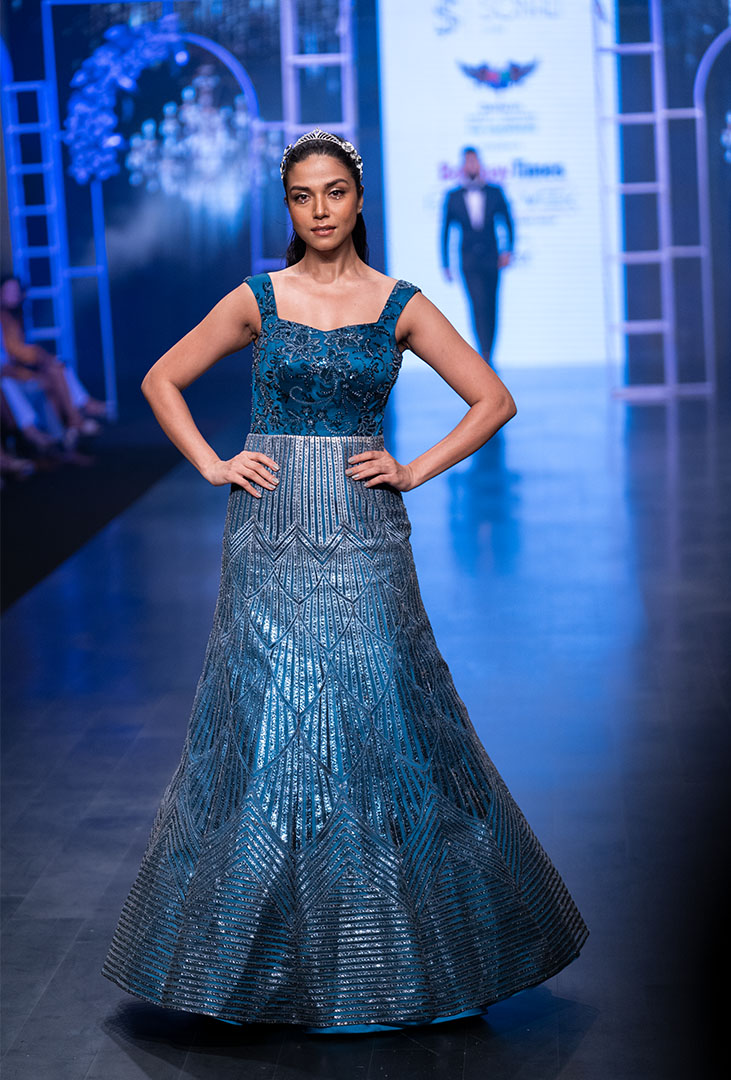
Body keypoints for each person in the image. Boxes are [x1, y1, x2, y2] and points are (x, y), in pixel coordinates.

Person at [101, 129, 588, 1034]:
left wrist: (413, 468)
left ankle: (407, 957)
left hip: (365, 531)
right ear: (287, 207)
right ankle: (251, 968)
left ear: (358, 199)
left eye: (333, 192)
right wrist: (212, 462)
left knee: (387, 714)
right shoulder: (259, 297)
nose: (319, 210)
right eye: (301, 196)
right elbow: (162, 378)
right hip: (268, 531)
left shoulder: (398, 302)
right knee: (267, 723)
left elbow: (492, 399)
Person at [0, 275, 106, 447]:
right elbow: (15, 352)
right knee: (53, 370)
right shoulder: (4, 319)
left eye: (15, 291)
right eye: (8, 291)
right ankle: (76, 416)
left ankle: (76, 417)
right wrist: (41, 357)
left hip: (20, 372)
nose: (13, 295)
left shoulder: (16, 317)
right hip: (13, 376)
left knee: (57, 369)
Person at [441, 146, 515, 364]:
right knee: (477, 304)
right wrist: (445, 263)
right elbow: (445, 231)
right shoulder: (453, 196)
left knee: (492, 305)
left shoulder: (495, 192)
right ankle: (483, 352)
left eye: (474, 161)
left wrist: (508, 250)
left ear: (480, 164)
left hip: (492, 258)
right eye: (468, 162)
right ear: (463, 166)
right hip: (468, 260)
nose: (472, 165)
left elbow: (508, 222)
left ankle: (489, 353)